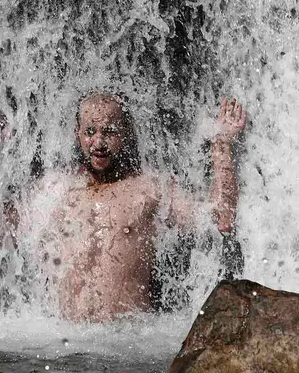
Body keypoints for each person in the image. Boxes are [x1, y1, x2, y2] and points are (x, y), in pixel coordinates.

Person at [24, 93, 246, 322]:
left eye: (109, 132)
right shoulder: (54, 191)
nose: (98, 143)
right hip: (63, 343)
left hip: (126, 343)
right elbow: (5, 236)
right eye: (90, 132)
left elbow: (220, 219)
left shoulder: (150, 190)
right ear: (77, 133)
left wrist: (221, 146)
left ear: (126, 132)